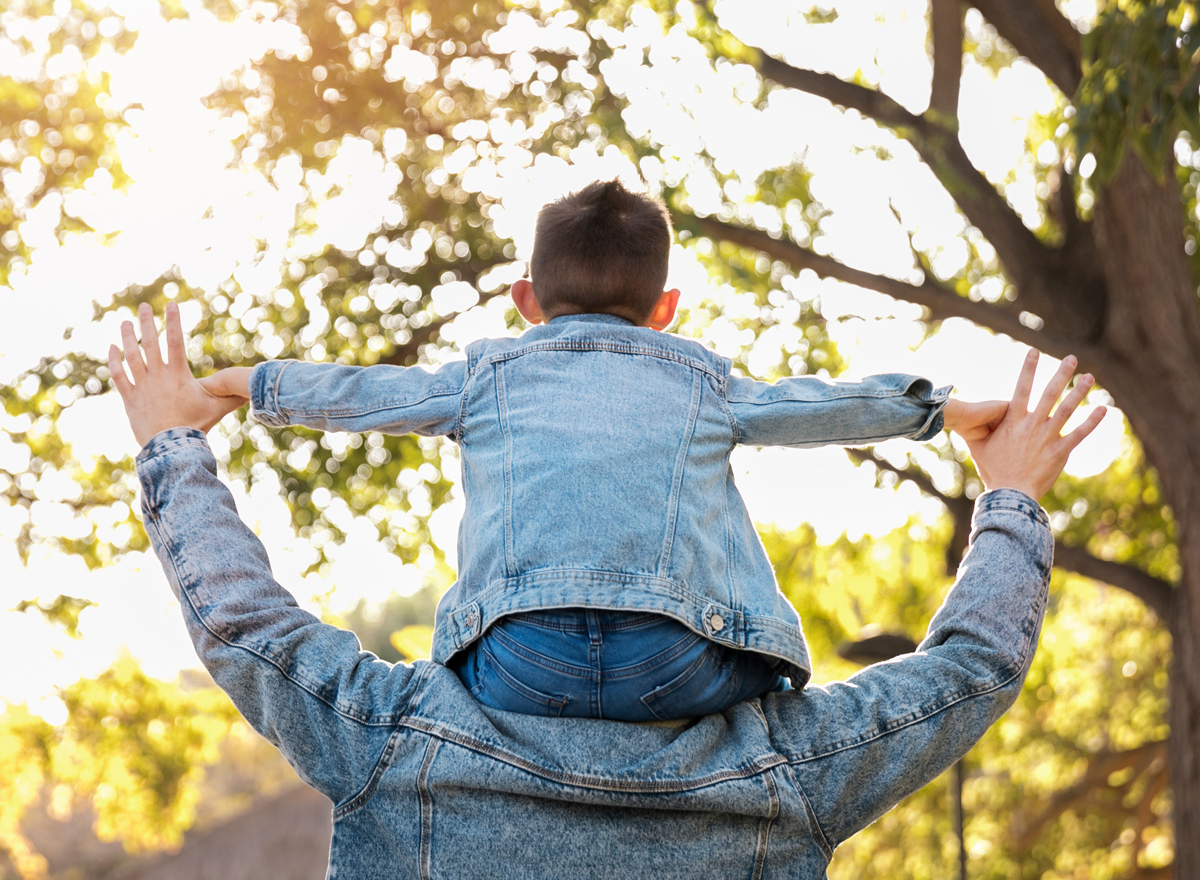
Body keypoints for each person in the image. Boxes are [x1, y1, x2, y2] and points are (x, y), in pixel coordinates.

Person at [108, 302, 1103, 878]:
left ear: (528, 294)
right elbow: (972, 666)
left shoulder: (395, 743)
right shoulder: (784, 771)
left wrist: (173, 437)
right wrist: (1009, 492)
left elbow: (242, 622)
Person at [192, 179, 1007, 721]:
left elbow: (363, 392)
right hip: (675, 664)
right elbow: (813, 405)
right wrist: (944, 411)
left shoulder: (486, 374)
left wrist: (237, 385)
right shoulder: (700, 378)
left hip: (519, 665)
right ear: (666, 309)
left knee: (466, 677)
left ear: (526, 302)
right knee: (765, 692)